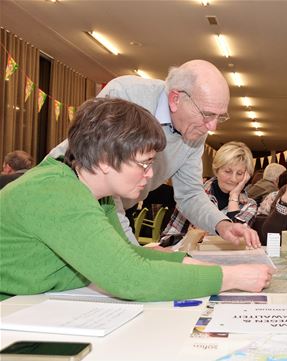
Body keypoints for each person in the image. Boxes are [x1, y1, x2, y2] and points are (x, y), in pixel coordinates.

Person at [0, 98, 273, 302]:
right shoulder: (57, 193)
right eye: (144, 164)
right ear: (105, 159)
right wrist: (230, 277)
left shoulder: (99, 197)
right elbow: (129, 277)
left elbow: (129, 254)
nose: (151, 174)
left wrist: (207, 266)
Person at [50, 60, 259, 248]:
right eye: (207, 114)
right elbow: (105, 182)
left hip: (118, 208)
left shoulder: (195, 130)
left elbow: (190, 193)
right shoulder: (127, 94)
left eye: (219, 117)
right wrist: (134, 254)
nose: (212, 126)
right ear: (176, 99)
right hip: (67, 195)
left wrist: (222, 224)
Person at [161, 141, 257, 244]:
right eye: (228, 171)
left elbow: (235, 241)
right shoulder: (193, 196)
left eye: (239, 173)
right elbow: (168, 237)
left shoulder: (249, 205)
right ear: (216, 170)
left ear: (246, 176)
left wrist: (233, 197)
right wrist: (190, 237)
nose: (233, 179)